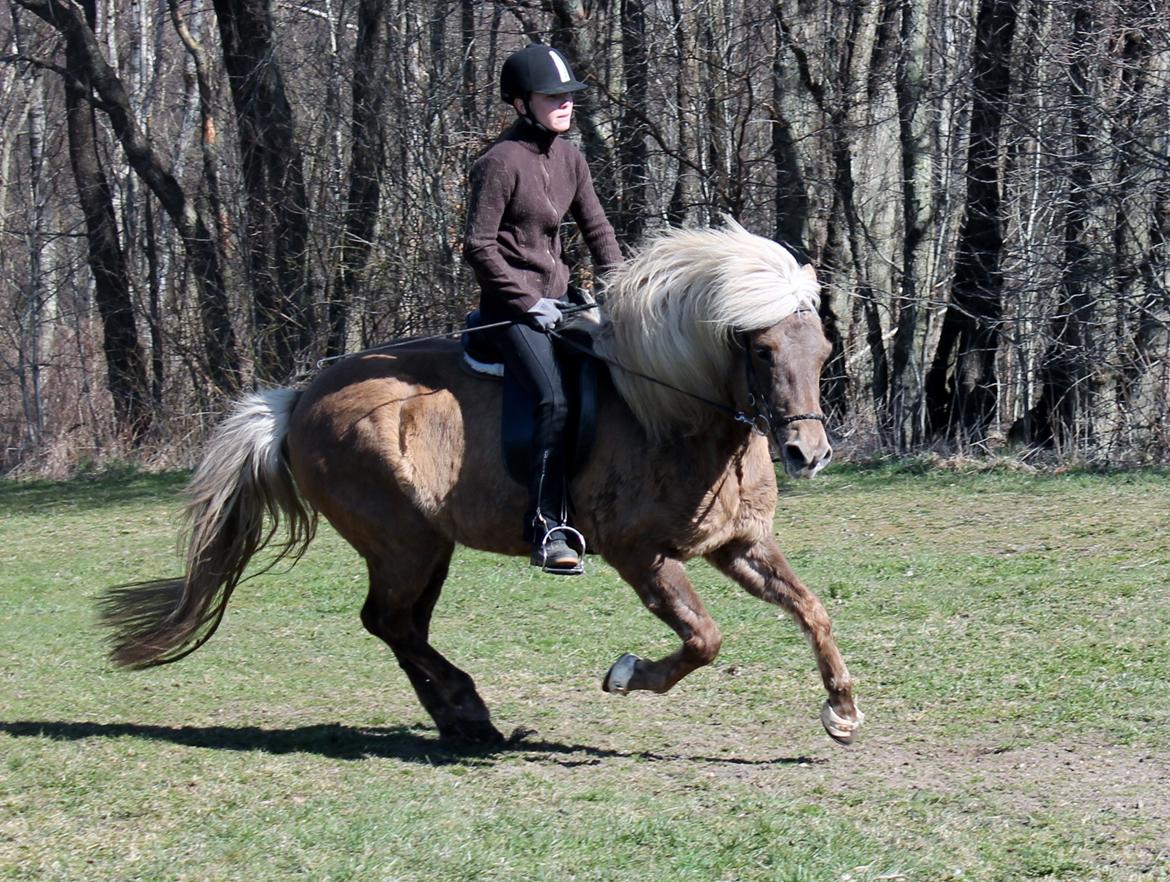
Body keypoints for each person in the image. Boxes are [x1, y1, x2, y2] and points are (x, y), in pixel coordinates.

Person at [463, 44, 623, 574]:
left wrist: (620, 288)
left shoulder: (570, 158)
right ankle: (547, 528)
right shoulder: (498, 163)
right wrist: (527, 302)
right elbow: (479, 246)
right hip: (509, 313)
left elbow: (598, 229)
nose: (565, 104)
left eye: (569, 96)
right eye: (552, 96)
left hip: (560, 302)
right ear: (519, 103)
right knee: (552, 399)